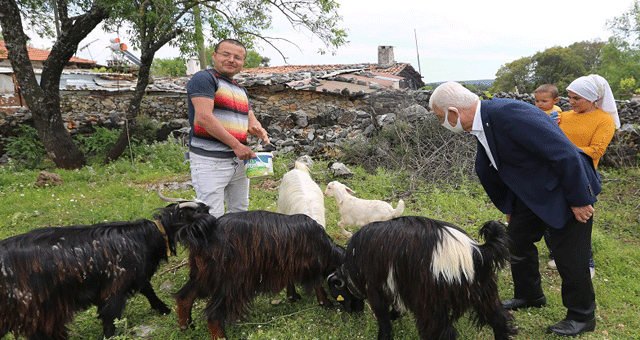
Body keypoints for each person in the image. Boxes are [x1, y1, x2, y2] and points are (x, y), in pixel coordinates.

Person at [428, 81, 602, 337]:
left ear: (453, 111)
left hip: (563, 189)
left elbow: (564, 153)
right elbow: (504, 165)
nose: (443, 122)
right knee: (517, 242)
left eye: (441, 117)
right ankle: (529, 295)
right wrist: (510, 205)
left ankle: (582, 316)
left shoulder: (508, 114)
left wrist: (579, 199)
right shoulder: (483, 122)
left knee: (570, 256)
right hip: (531, 193)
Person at [186, 39, 270, 217]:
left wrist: (257, 128)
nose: (232, 60)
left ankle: (234, 245)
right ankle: (211, 246)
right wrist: (237, 145)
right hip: (210, 161)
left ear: (243, 63)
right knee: (211, 215)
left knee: (239, 212)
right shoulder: (204, 78)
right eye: (226, 54)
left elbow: (250, 117)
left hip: (238, 161)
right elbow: (203, 118)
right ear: (215, 56)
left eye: (238, 57)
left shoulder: (240, 89)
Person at [545, 75, 619, 276]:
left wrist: (562, 151)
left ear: (591, 97)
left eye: (577, 98)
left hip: (583, 176)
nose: (571, 102)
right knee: (550, 216)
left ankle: (588, 262)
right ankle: (556, 256)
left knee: (580, 222)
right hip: (557, 173)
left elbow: (595, 151)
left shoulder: (604, 120)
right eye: (569, 97)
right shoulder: (564, 117)